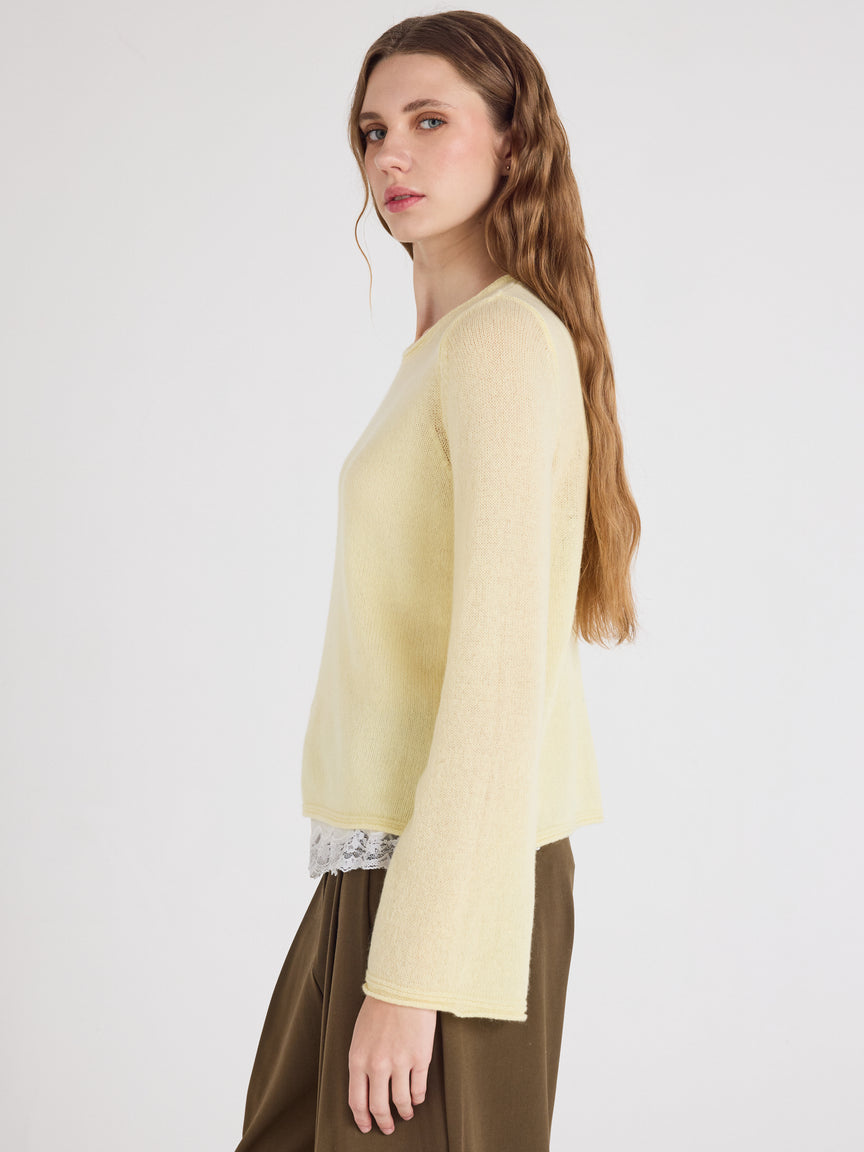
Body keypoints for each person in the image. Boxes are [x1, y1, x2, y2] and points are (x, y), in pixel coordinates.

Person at [232, 10, 640, 1151]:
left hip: (452, 892)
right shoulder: (448, 350)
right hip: (379, 870)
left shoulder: (502, 345)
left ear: (513, 140)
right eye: (373, 131)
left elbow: (500, 684)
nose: (390, 157)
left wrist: (411, 974)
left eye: (428, 122)